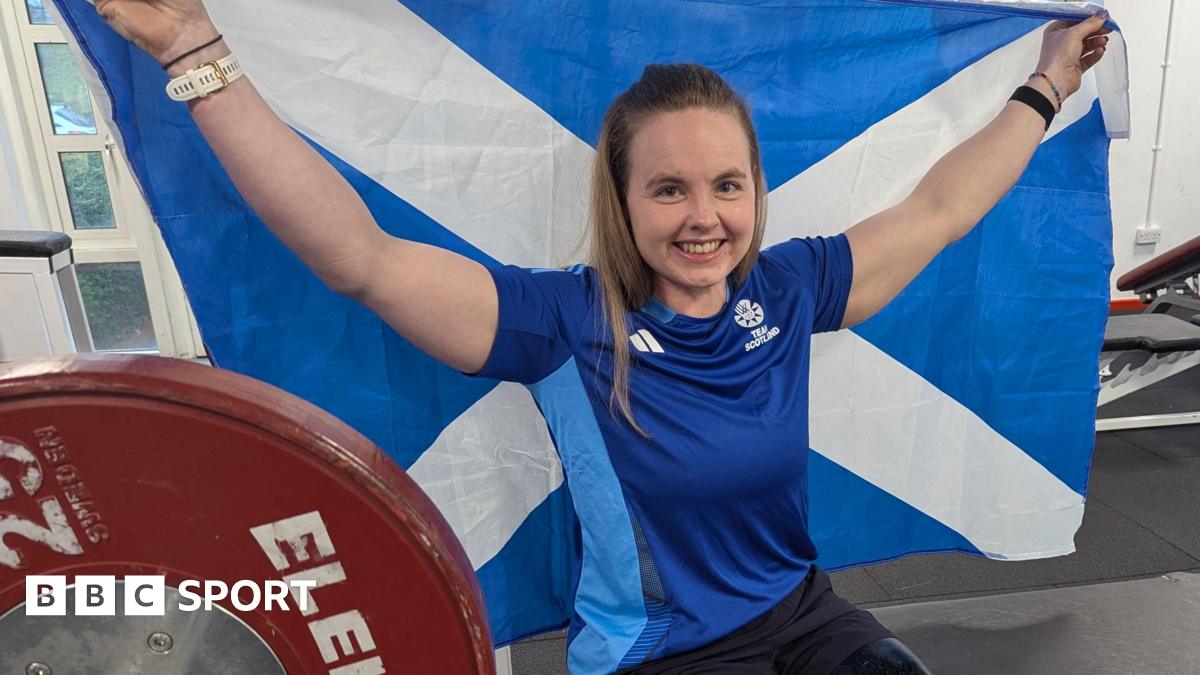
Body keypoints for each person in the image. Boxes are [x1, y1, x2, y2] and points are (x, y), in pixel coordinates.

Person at [93, 2, 1111, 673]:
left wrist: (1048, 86)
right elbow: (361, 258)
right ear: (622, 202)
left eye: (727, 185)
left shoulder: (791, 288)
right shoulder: (564, 324)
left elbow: (940, 209)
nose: (704, 216)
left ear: (755, 192)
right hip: (663, 656)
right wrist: (195, 52)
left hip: (805, 616)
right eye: (668, 188)